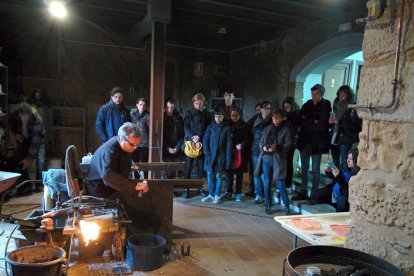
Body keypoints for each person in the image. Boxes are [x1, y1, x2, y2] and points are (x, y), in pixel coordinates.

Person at [86, 122, 149, 197]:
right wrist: (135, 186)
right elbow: (107, 176)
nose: (135, 147)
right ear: (122, 139)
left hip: (112, 187)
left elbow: (115, 162)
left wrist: (127, 167)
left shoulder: (122, 145)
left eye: (137, 144)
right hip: (100, 191)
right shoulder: (109, 151)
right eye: (132, 144)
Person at [294, 84, 331, 200]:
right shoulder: (307, 104)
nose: (314, 96)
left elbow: (322, 124)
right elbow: (299, 120)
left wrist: (309, 121)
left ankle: (315, 193)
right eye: (313, 94)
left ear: (321, 94)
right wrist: (313, 121)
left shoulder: (326, 104)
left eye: (317, 94)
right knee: (304, 168)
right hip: (305, 140)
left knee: (315, 169)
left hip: (317, 142)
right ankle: (303, 191)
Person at [6, 102, 45, 192]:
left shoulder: (37, 120)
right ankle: (25, 185)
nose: (24, 118)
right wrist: (16, 134)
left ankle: (39, 185)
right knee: (19, 160)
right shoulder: (15, 115)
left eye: (26, 116)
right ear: (19, 113)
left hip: (38, 139)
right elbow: (11, 124)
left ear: (30, 114)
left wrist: (29, 159)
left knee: (41, 162)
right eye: (22, 116)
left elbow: (35, 144)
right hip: (23, 138)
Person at [258, 109, 292, 214]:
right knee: (267, 182)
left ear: (282, 118)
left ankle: (287, 206)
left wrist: (277, 147)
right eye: (274, 118)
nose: (275, 120)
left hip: (279, 159)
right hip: (267, 157)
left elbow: (288, 145)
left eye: (277, 117)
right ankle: (268, 203)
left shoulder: (286, 130)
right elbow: (261, 142)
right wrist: (264, 147)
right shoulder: (268, 129)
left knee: (280, 182)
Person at [183, 93, 212, 198]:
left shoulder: (207, 114)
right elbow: (186, 126)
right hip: (191, 143)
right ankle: (186, 189)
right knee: (188, 168)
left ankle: (200, 189)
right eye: (196, 103)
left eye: (200, 103)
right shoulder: (189, 113)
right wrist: (193, 137)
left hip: (201, 143)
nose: (198, 105)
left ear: (203, 103)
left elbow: (208, 128)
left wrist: (199, 137)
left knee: (201, 168)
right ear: (193, 103)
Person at [201, 107, 232, 204]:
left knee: (218, 176)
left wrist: (228, 161)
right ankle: (210, 194)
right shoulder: (210, 126)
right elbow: (205, 140)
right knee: (210, 176)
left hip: (220, 157)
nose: (217, 118)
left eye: (219, 116)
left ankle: (217, 195)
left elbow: (229, 146)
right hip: (210, 156)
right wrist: (207, 153)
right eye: (216, 116)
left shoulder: (227, 128)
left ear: (223, 117)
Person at [222, 106, 251, 201]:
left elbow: (248, 139)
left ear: (240, 115)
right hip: (229, 152)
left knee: (239, 174)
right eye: (232, 115)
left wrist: (242, 145)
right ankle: (228, 192)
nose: (234, 117)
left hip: (241, 152)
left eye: (236, 115)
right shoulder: (227, 125)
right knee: (229, 173)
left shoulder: (245, 126)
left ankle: (238, 193)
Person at [329, 85, 361, 167]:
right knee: (335, 162)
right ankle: (335, 179)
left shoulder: (353, 107)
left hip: (345, 139)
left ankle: (342, 179)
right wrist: (330, 122)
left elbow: (353, 127)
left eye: (343, 95)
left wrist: (339, 122)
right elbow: (334, 123)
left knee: (344, 163)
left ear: (349, 95)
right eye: (339, 94)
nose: (340, 97)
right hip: (335, 136)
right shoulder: (336, 106)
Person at [251, 101, 272, 204]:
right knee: (256, 173)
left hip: (266, 152)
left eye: (269, 108)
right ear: (261, 109)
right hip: (255, 149)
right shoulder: (256, 119)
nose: (267, 110)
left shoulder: (272, 121)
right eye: (265, 108)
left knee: (266, 175)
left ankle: (267, 195)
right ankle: (258, 194)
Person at [162, 97, 185, 179]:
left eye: (171, 107)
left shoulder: (179, 118)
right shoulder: (161, 118)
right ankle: (165, 191)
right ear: (165, 107)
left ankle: (172, 191)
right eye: (168, 107)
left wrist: (177, 147)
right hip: (165, 149)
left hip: (176, 149)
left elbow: (182, 135)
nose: (169, 110)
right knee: (165, 172)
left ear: (174, 107)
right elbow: (160, 136)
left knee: (173, 172)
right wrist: (167, 148)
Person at [282, 97, 300, 190]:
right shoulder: (285, 114)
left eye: (288, 107)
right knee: (283, 162)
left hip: (292, 141)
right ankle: (283, 183)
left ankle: (288, 184)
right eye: (285, 107)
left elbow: (296, 128)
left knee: (289, 162)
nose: (286, 109)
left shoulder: (296, 115)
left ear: (292, 106)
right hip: (284, 141)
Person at [245, 102, 262, 197]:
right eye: (257, 110)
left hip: (261, 150)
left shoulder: (267, 121)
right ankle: (252, 189)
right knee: (252, 170)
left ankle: (259, 190)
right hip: (252, 148)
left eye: (260, 109)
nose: (258, 111)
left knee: (259, 172)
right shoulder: (252, 121)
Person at [130, 98, 150, 178]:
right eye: (141, 104)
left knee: (145, 164)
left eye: (144, 105)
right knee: (135, 163)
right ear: (137, 105)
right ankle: (136, 181)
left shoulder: (148, 116)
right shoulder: (132, 115)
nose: (142, 106)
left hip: (145, 143)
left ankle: (146, 180)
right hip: (134, 143)